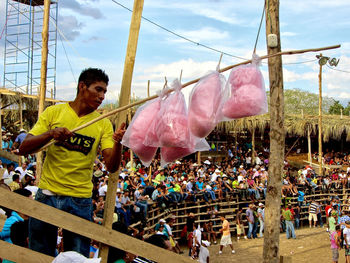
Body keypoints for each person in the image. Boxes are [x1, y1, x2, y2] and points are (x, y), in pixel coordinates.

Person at [18, 68, 126, 258]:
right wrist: (51, 133)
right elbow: (24, 147)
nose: (102, 96)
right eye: (98, 89)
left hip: (80, 199)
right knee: (39, 255)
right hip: (48, 194)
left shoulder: (103, 123)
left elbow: (111, 165)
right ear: (82, 86)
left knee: (76, 259)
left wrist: (118, 144)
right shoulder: (54, 112)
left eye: (104, 92)